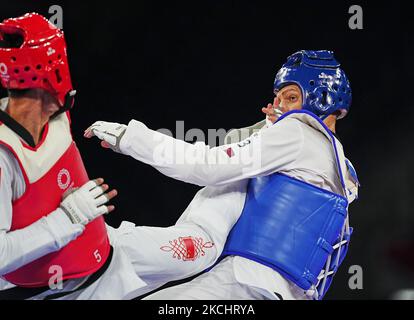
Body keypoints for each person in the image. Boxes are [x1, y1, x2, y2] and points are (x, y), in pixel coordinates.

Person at [0, 13, 247, 300]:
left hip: (111, 251)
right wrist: (68, 218)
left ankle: (250, 160)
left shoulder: (57, 113)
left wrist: (132, 139)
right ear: (53, 69)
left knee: (200, 248)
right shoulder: (5, 156)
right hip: (61, 293)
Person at [86, 50, 360, 300]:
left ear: (322, 99)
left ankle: (101, 249)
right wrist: (263, 130)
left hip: (244, 285)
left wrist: (133, 139)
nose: (281, 108)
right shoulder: (344, 171)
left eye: (290, 98)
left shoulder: (299, 132)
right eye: (277, 99)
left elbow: (209, 165)